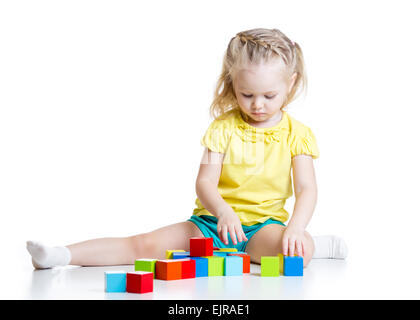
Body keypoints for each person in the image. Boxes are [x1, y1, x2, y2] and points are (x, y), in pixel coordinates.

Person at [26, 27, 347, 269]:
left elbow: (307, 189)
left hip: (264, 228)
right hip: (211, 223)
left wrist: (295, 228)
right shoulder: (223, 128)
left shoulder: (298, 134)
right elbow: (205, 182)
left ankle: (317, 244)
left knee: (297, 253)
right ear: (233, 84)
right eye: (247, 95)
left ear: (290, 84)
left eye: (269, 96)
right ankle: (60, 255)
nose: (257, 105)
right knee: (143, 244)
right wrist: (223, 213)